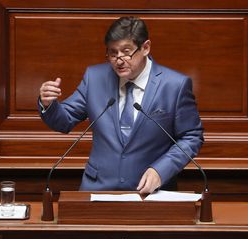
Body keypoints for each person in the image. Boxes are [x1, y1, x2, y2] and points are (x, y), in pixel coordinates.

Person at [38, 16, 204, 194]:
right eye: (112, 53)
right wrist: (48, 104)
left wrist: (160, 170)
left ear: (145, 47)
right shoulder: (94, 78)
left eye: (126, 51)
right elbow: (64, 121)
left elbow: (191, 136)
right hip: (98, 189)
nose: (118, 60)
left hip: (150, 192)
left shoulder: (174, 85)